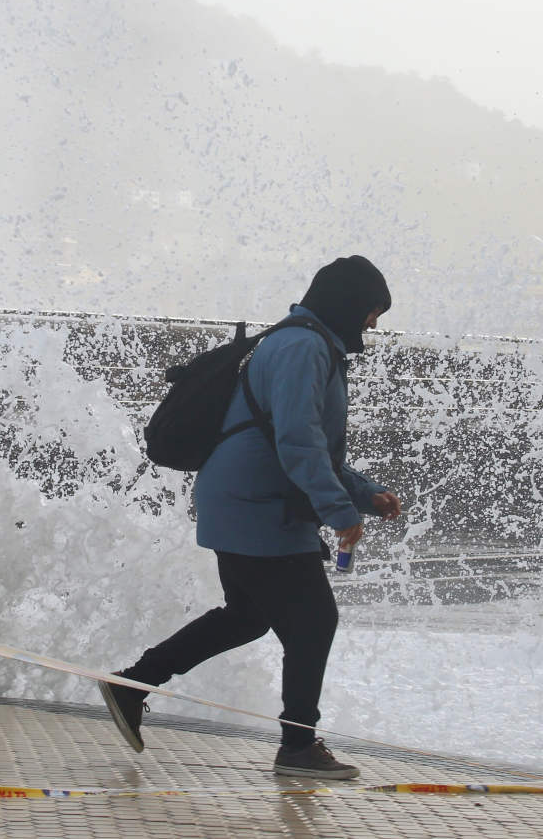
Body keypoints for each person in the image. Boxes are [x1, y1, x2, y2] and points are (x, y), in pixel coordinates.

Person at [101, 255, 403, 780]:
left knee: (247, 616)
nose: (372, 324)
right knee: (314, 622)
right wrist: (338, 510)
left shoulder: (307, 344)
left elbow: (309, 443)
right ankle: (298, 747)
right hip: (256, 507)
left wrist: (364, 492)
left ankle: (133, 683)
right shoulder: (303, 347)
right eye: (372, 311)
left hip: (246, 502)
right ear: (349, 302)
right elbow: (296, 440)